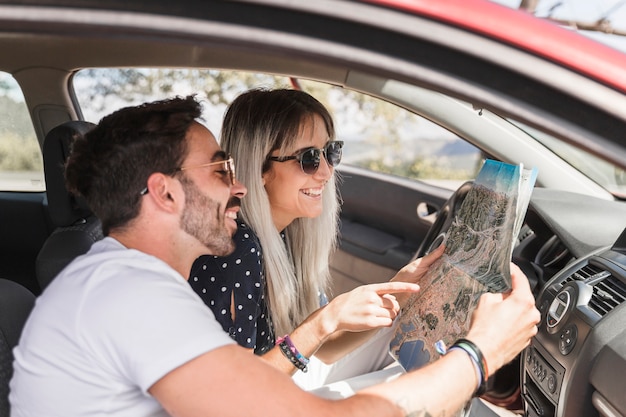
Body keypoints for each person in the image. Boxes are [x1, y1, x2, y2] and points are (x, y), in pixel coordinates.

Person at [10, 95, 539, 417]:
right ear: (166, 194)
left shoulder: (135, 283)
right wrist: (480, 353)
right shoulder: (130, 298)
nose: (238, 187)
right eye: (221, 171)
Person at [188, 88, 480, 390]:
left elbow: (325, 349)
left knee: (408, 337)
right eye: (309, 159)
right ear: (260, 168)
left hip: (277, 385)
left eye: (330, 152)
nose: (327, 172)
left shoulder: (285, 235)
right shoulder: (239, 250)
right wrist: (325, 320)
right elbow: (233, 393)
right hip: (256, 397)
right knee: (425, 384)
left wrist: (397, 293)